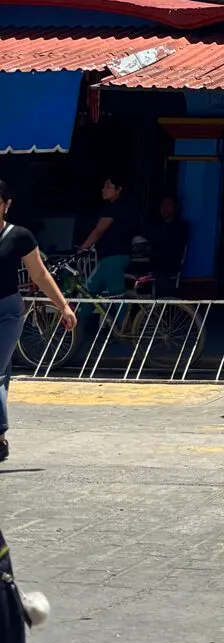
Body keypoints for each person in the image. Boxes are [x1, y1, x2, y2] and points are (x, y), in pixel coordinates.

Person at [0, 177, 77, 463]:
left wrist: (63, 306)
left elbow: (40, 274)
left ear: (6, 205)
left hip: (8, 311)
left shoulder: (19, 236)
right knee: (1, 372)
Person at [78, 176, 133, 295]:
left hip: (113, 257)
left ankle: (123, 314)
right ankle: (79, 314)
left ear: (119, 190)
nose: (104, 190)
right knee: (90, 293)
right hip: (112, 257)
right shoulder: (125, 207)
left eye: (109, 187)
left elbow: (98, 231)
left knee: (117, 296)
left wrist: (82, 249)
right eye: (104, 187)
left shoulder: (114, 207)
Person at [147, 196, 190, 291]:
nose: (165, 208)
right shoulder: (156, 226)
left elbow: (175, 248)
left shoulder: (180, 226)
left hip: (169, 267)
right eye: (163, 205)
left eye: (168, 205)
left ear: (175, 207)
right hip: (154, 265)